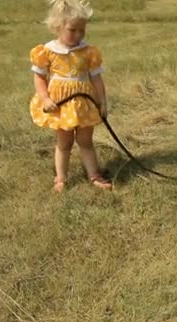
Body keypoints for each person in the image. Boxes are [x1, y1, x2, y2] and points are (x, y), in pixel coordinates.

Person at [29, 0, 111, 192]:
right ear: (58, 27)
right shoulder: (48, 51)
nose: (78, 35)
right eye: (72, 30)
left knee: (86, 141)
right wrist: (45, 98)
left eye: (82, 30)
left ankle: (94, 175)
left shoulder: (88, 51)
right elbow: (39, 78)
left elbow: (97, 79)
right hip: (61, 106)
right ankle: (61, 178)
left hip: (84, 104)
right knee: (64, 142)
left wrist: (102, 102)